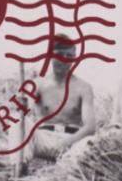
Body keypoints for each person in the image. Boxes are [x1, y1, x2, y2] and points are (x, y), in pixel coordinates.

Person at [16, 36, 97, 171]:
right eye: (60, 55)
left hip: (72, 140)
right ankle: (19, 175)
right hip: (45, 139)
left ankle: (69, 175)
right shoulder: (38, 85)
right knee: (17, 124)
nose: (65, 60)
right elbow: (26, 113)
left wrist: (66, 143)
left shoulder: (84, 87)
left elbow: (90, 127)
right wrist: (21, 106)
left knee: (89, 145)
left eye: (70, 56)